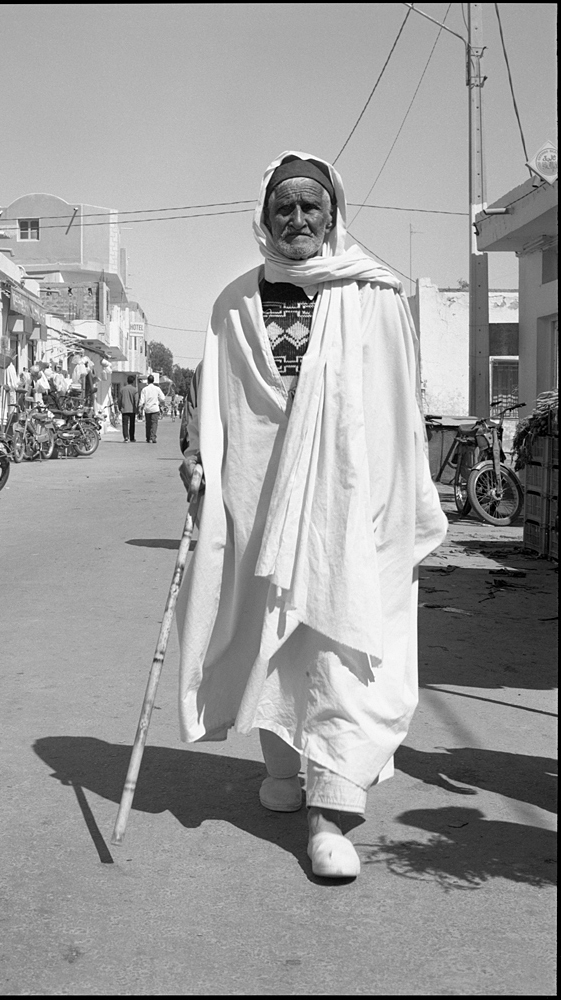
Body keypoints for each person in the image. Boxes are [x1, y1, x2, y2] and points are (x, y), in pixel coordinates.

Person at [176, 152, 447, 879]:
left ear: (334, 215)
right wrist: (201, 464)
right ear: (263, 217)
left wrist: (398, 500)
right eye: (284, 207)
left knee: (337, 646)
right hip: (258, 500)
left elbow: (397, 411)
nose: (297, 219)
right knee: (272, 638)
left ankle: (332, 815)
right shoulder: (235, 301)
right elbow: (220, 407)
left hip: (348, 505)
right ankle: (283, 773)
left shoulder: (373, 294)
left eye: (311, 206)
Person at [137, 375, 166, 444]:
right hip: (155, 408)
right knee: (154, 423)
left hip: (147, 409)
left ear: (148, 381)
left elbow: (142, 400)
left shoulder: (144, 389)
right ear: (153, 381)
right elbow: (163, 398)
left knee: (148, 423)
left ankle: (148, 437)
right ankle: (153, 437)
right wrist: (159, 400)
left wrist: (140, 408)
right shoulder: (157, 389)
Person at [118, 376, 139, 442]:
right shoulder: (135, 390)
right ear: (133, 381)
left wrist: (119, 407)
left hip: (124, 409)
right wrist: (137, 408)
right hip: (132, 409)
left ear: (127, 381)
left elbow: (119, 400)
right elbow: (136, 400)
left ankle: (126, 437)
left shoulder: (122, 389)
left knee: (125, 424)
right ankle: (132, 438)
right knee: (132, 424)